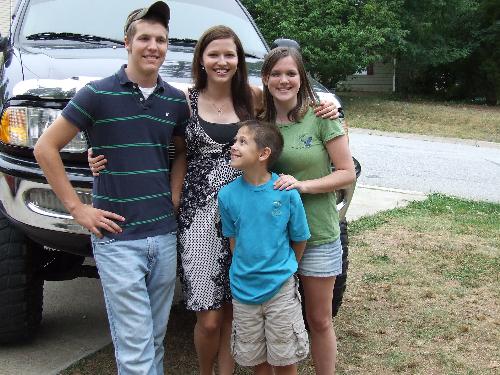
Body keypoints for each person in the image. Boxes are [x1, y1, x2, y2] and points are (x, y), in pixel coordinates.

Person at [88, 25, 338, 375]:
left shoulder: (253, 98)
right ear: (201, 59)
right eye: (214, 54)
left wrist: (326, 107)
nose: (222, 61)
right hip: (199, 219)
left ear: (239, 60)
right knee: (209, 318)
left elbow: (292, 100)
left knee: (238, 310)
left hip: (249, 213)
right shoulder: (181, 100)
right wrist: (97, 150)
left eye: (230, 54)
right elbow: (148, 133)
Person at [34, 2, 190, 374]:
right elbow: (45, 148)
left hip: (164, 236)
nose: (153, 46)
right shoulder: (96, 94)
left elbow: (180, 151)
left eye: (161, 40)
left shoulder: (174, 100)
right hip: (118, 239)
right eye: (145, 38)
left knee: (153, 338)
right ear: (127, 43)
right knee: (135, 347)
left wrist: (174, 190)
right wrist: (77, 208)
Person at [262, 47, 356, 374]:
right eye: (276, 73)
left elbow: (346, 172)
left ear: (301, 78)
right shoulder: (258, 122)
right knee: (280, 319)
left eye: (291, 73)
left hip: (318, 233)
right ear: (265, 78)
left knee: (319, 318)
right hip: (273, 240)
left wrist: (303, 186)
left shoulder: (321, 116)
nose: (283, 80)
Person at [218, 120, 310, 375]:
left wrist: (286, 269)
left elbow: (300, 237)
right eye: (235, 140)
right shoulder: (226, 195)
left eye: (242, 142)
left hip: (280, 288)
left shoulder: (287, 192)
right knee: (256, 359)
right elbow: (233, 240)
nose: (234, 146)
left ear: (263, 154)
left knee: (284, 357)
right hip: (243, 289)